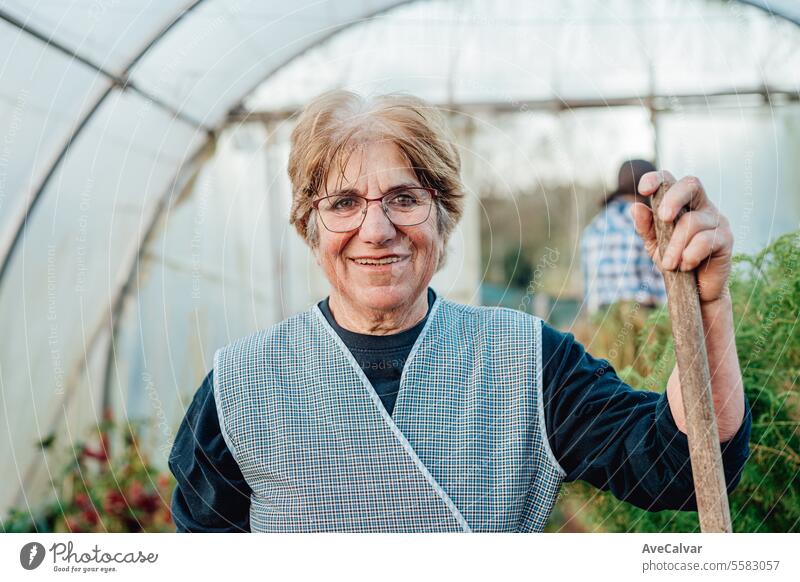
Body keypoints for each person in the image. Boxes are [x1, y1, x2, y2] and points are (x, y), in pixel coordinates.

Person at [168, 91, 751, 532]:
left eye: (404, 199)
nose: (377, 230)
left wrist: (706, 309)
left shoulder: (527, 362)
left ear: (441, 219)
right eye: (344, 203)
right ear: (310, 228)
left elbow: (682, 468)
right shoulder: (241, 386)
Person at [579, 159, 668, 373]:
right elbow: (661, 277)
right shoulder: (645, 223)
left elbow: (589, 287)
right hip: (643, 324)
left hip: (603, 325)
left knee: (612, 387)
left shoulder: (594, 226)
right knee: (649, 387)